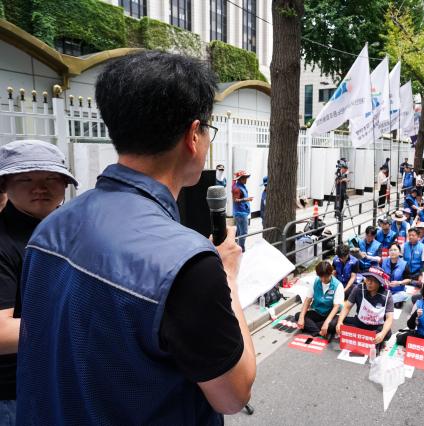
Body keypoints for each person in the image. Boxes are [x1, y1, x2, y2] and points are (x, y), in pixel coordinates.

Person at [16, 52, 255, 423]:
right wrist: (227, 274)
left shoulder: (50, 228)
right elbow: (233, 395)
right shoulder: (189, 264)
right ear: (193, 135)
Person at [0, 140, 78, 422]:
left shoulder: (66, 227)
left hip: (61, 377)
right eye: (26, 179)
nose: (40, 187)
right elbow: (1, 332)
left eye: (51, 178)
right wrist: (79, 322)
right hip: (16, 393)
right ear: (5, 184)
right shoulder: (5, 242)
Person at [336, 267, 394, 351]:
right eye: (368, 279)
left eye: (373, 281)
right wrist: (340, 322)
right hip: (360, 322)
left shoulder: (387, 295)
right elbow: (347, 307)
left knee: (387, 333)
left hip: (376, 326)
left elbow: (389, 318)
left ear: (379, 283)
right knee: (336, 322)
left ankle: (373, 338)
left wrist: (382, 333)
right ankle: (368, 339)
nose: (369, 283)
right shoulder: (358, 289)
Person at [295, 261, 343, 340]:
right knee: (298, 315)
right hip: (318, 312)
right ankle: (320, 332)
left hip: (331, 314)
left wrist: (327, 323)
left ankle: (314, 328)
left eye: (326, 276)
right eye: (321, 276)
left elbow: (336, 307)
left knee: (332, 324)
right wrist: (301, 318)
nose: (323, 279)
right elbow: (308, 300)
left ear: (331, 273)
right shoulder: (315, 281)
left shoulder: (338, 285)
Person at [381, 243, 410, 308]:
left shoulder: (404, 264)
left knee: (404, 295)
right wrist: (384, 281)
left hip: (398, 291)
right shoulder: (384, 262)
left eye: (395, 250)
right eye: (391, 250)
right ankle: (390, 302)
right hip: (385, 290)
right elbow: (381, 275)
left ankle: (386, 302)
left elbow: (408, 279)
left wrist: (399, 283)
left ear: (399, 252)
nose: (392, 252)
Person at [232, 170, 253, 252]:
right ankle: (241, 249)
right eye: (245, 178)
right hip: (240, 214)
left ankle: (236, 248)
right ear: (240, 179)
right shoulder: (237, 188)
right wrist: (246, 199)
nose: (246, 179)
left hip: (241, 213)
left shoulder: (241, 186)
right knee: (244, 232)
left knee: (239, 231)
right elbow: (235, 200)